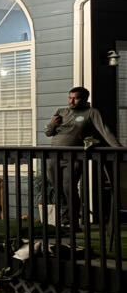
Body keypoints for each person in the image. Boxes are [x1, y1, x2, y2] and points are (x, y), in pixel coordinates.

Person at [44, 86, 120, 226]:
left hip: (73, 158)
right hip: (54, 157)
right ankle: (65, 218)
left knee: (69, 188)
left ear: (84, 99)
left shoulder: (91, 112)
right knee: (57, 188)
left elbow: (105, 131)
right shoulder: (61, 111)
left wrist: (119, 149)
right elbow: (48, 133)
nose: (71, 101)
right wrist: (52, 124)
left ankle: (73, 221)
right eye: (70, 97)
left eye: (76, 98)